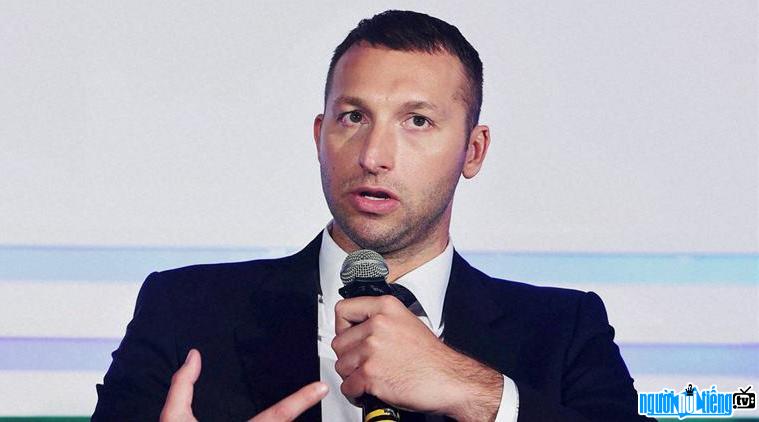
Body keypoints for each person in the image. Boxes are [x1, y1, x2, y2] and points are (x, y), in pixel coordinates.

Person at [93, 10, 650, 421]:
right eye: (354, 116)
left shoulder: (563, 328)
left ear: (473, 151)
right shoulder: (184, 310)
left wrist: (473, 391)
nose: (373, 155)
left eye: (418, 122)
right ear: (320, 136)